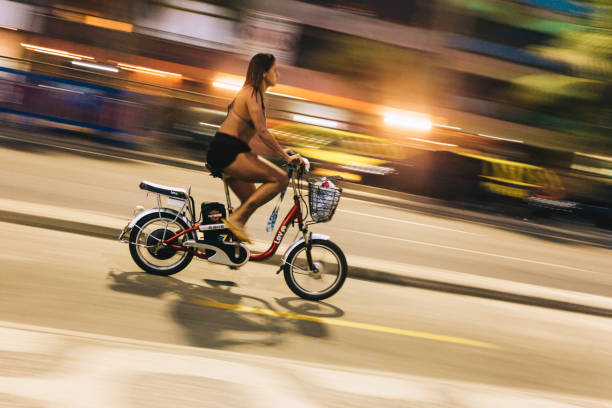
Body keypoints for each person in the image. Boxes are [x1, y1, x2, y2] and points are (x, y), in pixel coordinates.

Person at [205, 53, 303, 244]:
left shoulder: (254, 94)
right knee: (280, 179)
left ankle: (227, 245)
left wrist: (285, 152)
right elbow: (263, 132)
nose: (278, 74)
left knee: (251, 199)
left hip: (230, 149)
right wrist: (285, 156)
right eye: (275, 70)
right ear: (264, 73)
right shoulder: (252, 93)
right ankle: (235, 221)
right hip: (227, 150)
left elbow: (259, 133)